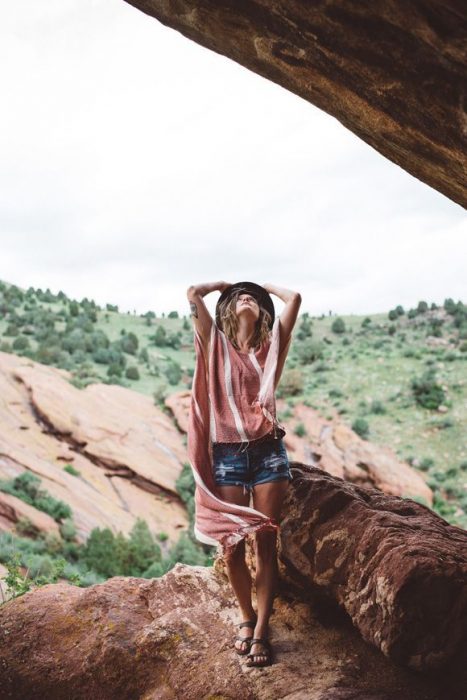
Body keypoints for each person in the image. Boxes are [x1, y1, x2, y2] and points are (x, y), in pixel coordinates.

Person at [186, 280, 301, 667]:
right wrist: (223, 286)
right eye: (239, 297)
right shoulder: (215, 344)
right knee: (232, 546)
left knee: (266, 546)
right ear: (227, 311)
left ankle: (263, 630)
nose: (246, 298)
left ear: (263, 310)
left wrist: (261, 287)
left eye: (253, 298)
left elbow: (295, 299)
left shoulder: (271, 351)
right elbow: (192, 295)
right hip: (228, 456)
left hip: (269, 455)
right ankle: (246, 617)